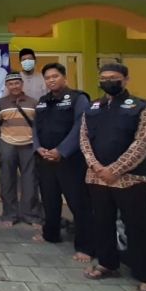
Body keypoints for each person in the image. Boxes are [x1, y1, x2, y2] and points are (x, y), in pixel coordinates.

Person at [81, 63, 146, 291]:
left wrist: (114, 170)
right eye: (104, 78)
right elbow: (84, 139)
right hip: (97, 178)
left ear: (126, 80)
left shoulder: (141, 108)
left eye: (114, 78)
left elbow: (142, 143)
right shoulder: (93, 107)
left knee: (138, 228)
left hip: (130, 180)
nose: (108, 82)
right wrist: (96, 166)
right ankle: (107, 264)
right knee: (102, 223)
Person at [33, 63, 95, 262]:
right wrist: (38, 148)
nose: (51, 80)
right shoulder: (43, 101)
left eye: (55, 76)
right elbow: (35, 128)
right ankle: (50, 234)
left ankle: (85, 245)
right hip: (46, 159)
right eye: (48, 77)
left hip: (71, 161)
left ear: (64, 77)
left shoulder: (78, 99)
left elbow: (81, 127)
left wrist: (62, 151)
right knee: (50, 200)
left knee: (79, 203)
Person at [0, 73, 43, 229]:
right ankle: (10, 215)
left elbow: (39, 126)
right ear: (7, 86)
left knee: (30, 182)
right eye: (11, 84)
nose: (14, 86)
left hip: (29, 145)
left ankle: (31, 215)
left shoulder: (33, 102)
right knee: (7, 181)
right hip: (7, 145)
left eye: (17, 83)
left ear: (22, 84)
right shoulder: (0, 104)